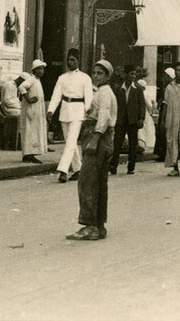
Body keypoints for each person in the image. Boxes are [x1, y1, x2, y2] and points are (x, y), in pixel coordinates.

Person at [66, 59, 117, 241]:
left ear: (107, 76)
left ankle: (89, 225)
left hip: (98, 137)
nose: (95, 75)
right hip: (104, 138)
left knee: (87, 182)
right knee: (99, 184)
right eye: (94, 72)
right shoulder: (104, 92)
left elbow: (103, 117)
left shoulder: (104, 94)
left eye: (100, 73)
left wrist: (94, 139)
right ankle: (99, 224)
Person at [47, 48, 93, 183]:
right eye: (69, 60)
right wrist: (51, 110)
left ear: (78, 61)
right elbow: (56, 96)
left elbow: (89, 98)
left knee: (71, 141)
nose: (70, 62)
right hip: (64, 111)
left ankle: (63, 170)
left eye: (73, 60)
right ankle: (78, 169)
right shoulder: (62, 78)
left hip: (78, 112)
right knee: (69, 142)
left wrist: (88, 114)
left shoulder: (85, 78)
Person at [109, 65, 145, 175]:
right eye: (131, 74)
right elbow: (114, 104)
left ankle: (131, 167)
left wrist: (141, 118)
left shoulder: (138, 88)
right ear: (126, 75)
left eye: (135, 74)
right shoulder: (119, 88)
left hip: (133, 120)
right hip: (121, 120)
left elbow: (142, 105)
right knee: (117, 143)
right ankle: (113, 165)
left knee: (133, 144)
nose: (133, 76)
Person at [19, 60, 47, 163]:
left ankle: (30, 153)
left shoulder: (37, 81)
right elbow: (21, 87)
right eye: (39, 69)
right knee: (30, 131)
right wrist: (28, 99)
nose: (41, 71)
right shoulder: (31, 79)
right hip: (31, 110)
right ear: (35, 70)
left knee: (34, 131)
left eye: (42, 69)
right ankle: (28, 154)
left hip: (36, 110)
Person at [0, 74, 25, 150]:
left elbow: (16, 100)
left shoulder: (15, 86)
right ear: (20, 79)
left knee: (26, 113)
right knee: (23, 114)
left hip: (14, 107)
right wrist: (20, 106)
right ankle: (17, 141)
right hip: (7, 108)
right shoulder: (9, 85)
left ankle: (19, 141)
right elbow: (7, 101)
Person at [136, 78, 156, 155]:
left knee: (145, 130)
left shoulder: (144, 94)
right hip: (143, 114)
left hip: (145, 114)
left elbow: (149, 105)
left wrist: (150, 112)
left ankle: (145, 145)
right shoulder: (142, 94)